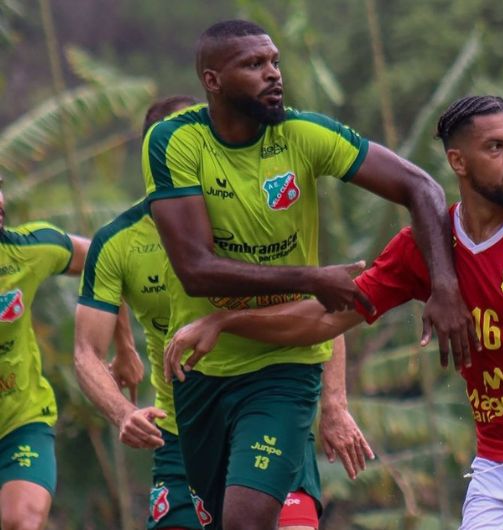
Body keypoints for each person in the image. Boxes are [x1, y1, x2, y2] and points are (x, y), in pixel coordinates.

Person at [165, 95, 503, 530]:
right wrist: (224, 321)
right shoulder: (424, 246)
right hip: (500, 468)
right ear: (458, 161)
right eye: (495, 147)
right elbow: (325, 321)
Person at [142, 19, 474, 530]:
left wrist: (446, 287)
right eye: (254, 65)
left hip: (285, 364)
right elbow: (196, 271)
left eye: (274, 61)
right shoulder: (175, 142)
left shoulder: (303, 133)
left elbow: (421, 186)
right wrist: (314, 277)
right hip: (203, 372)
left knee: (246, 521)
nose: (273, 74)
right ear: (212, 80)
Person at [75, 95, 370, 530]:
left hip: (271, 404)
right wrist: (123, 411)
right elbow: (84, 351)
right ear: (156, 157)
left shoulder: (255, 219)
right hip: (183, 431)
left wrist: (335, 405)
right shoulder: (117, 243)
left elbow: (320, 309)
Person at [0, 177, 136, 530]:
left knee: (21, 520)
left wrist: (123, 346)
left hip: (20, 423)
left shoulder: (27, 250)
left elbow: (103, 259)